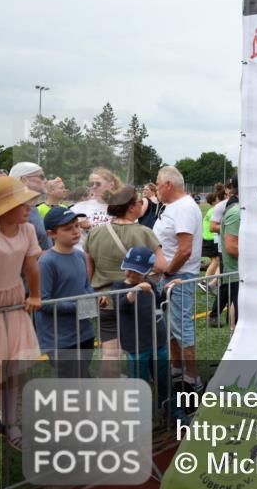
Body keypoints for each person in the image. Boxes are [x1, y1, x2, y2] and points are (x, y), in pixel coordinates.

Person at [0, 177, 42, 462]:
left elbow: (31, 265)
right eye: (22, 203)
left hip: (13, 307)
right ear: (4, 208)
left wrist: (36, 295)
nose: (29, 207)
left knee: (13, 368)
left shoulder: (28, 230)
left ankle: (8, 422)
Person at [86, 186, 167, 376]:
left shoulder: (95, 232)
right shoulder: (144, 232)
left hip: (105, 300)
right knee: (141, 351)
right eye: (139, 201)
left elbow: (88, 271)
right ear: (131, 207)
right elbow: (162, 266)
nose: (142, 204)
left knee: (110, 354)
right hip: (136, 301)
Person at [152, 166, 202, 389]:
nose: (156, 189)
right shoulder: (174, 207)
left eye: (157, 184)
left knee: (181, 325)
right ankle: (177, 368)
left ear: (168, 185)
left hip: (178, 275)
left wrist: (169, 271)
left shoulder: (183, 208)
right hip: (171, 274)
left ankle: (192, 376)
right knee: (171, 325)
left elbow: (184, 250)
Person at [36, 207, 97, 379]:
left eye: (77, 226)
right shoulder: (47, 262)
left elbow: (86, 285)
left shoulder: (79, 256)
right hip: (60, 339)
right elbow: (43, 302)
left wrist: (93, 299)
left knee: (82, 376)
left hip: (84, 333)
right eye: (67, 228)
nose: (75, 231)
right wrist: (78, 306)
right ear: (51, 234)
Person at [112, 246, 169, 407]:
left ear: (147, 271)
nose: (132, 274)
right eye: (129, 270)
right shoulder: (118, 287)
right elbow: (121, 306)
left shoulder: (149, 284)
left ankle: (168, 410)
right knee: (139, 383)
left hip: (158, 342)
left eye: (137, 272)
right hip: (136, 346)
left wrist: (166, 290)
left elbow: (159, 305)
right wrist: (135, 290)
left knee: (163, 380)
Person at [71, 167, 123, 246]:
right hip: (83, 254)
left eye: (98, 184)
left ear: (111, 184)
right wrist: (77, 225)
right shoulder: (78, 208)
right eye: (91, 184)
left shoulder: (122, 207)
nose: (94, 187)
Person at [7, 162, 52, 252]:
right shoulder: (15, 212)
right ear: (23, 180)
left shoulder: (31, 207)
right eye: (41, 177)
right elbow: (16, 253)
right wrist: (55, 254)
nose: (46, 180)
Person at [219, 192, 240, 332]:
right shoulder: (237, 213)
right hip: (238, 273)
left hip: (238, 273)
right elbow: (232, 247)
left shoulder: (238, 211)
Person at [199, 192, 220, 293]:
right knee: (217, 261)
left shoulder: (211, 210)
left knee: (216, 261)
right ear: (215, 200)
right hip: (212, 238)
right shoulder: (215, 211)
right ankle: (205, 282)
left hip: (208, 238)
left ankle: (211, 282)